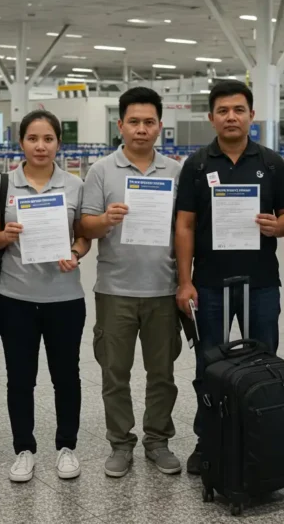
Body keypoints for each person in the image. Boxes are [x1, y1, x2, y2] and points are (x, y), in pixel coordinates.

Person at [175, 80, 284, 475]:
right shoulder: (196, 165)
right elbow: (185, 226)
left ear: (251, 115)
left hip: (260, 282)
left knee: (263, 364)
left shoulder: (272, 163)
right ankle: (208, 439)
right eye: (223, 111)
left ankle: (263, 435)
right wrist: (185, 280)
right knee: (207, 365)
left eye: (239, 110)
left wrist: (279, 227)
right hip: (209, 283)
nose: (231, 117)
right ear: (211, 117)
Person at [0, 110, 91, 483]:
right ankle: (24, 449)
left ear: (59, 142)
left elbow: (84, 236)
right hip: (15, 297)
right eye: (33, 138)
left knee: (67, 376)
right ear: (21, 142)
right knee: (20, 378)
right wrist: (6, 235)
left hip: (64, 298)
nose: (40, 146)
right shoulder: (2, 185)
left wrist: (75, 254)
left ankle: (67, 446)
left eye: (48, 139)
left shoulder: (75, 185)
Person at [80, 87, 184, 478]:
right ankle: (120, 443)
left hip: (162, 290)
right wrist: (105, 220)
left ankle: (158, 440)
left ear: (160, 126)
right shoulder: (101, 171)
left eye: (149, 122)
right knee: (114, 373)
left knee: (162, 374)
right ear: (120, 125)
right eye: (134, 122)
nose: (141, 129)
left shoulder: (176, 172)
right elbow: (85, 226)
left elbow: (185, 230)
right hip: (115, 291)